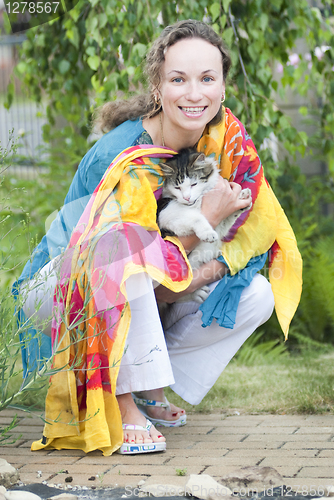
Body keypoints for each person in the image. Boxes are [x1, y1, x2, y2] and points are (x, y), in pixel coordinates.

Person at [15, 19, 302, 456]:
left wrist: (204, 271)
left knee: (256, 295)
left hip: (147, 278)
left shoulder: (225, 140)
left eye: (207, 78)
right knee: (126, 248)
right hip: (62, 289)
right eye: (178, 79)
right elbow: (105, 265)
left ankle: (152, 383)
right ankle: (124, 399)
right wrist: (203, 218)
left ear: (223, 86)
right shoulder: (121, 153)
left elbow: (252, 228)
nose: (194, 93)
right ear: (158, 87)